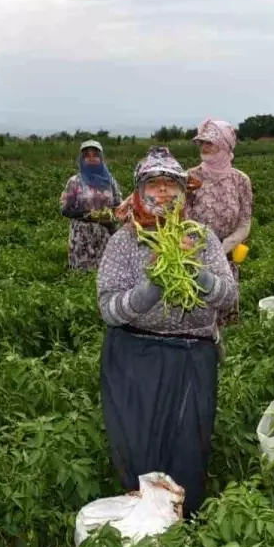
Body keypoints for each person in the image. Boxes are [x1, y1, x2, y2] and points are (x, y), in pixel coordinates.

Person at [96, 146, 239, 517]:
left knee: (187, 446)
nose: (163, 191)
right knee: (137, 445)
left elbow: (229, 296)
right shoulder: (124, 241)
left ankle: (182, 522)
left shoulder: (201, 238)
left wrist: (196, 273)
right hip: (134, 359)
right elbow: (109, 310)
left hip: (192, 358)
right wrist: (153, 285)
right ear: (139, 191)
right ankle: (143, 521)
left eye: (171, 184)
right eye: (153, 184)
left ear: (183, 192)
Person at [184, 118, 252, 327]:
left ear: (224, 145)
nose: (204, 147)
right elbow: (179, 218)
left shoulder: (240, 180)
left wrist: (224, 248)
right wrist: (197, 251)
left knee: (224, 320)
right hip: (194, 257)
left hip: (227, 258)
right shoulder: (190, 177)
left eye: (209, 143)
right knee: (195, 316)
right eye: (202, 142)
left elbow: (245, 223)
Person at [60, 140, 123, 271]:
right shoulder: (75, 181)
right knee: (81, 274)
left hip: (105, 233)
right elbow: (65, 210)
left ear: (101, 158)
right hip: (82, 236)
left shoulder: (109, 181)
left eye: (95, 155)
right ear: (82, 159)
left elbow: (118, 204)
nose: (92, 158)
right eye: (87, 156)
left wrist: (110, 220)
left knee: (106, 271)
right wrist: (86, 215)